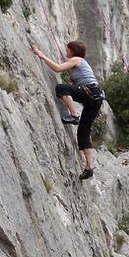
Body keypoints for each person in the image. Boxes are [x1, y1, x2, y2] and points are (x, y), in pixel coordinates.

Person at [32, 40, 104, 180]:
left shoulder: (77, 59)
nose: (66, 51)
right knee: (83, 132)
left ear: (73, 50)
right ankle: (89, 167)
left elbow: (58, 68)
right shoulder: (80, 63)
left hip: (90, 93)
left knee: (61, 88)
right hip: (96, 99)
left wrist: (41, 55)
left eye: (68, 49)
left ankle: (74, 114)